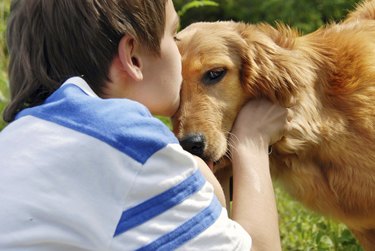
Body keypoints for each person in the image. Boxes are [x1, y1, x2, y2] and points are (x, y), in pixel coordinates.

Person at [0, 0, 287, 250]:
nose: (180, 49)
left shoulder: (17, 137)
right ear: (133, 57)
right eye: (173, 35)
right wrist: (252, 142)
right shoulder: (132, 144)